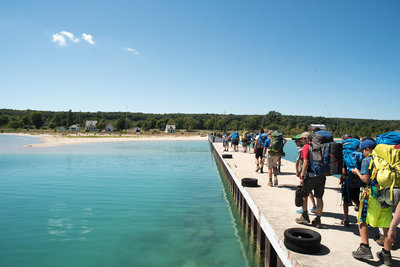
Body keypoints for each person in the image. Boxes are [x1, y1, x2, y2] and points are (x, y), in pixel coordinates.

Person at [351, 139, 393, 266]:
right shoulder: (387, 159)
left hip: (372, 197)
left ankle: (364, 248)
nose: (363, 153)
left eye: (363, 150)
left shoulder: (367, 160)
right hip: (388, 196)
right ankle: (387, 255)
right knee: (386, 225)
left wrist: (357, 172)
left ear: (368, 149)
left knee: (363, 221)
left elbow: (366, 180)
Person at [295, 131, 326, 229]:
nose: (301, 141)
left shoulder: (306, 147)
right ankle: (318, 220)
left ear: (306, 139)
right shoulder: (321, 146)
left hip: (310, 176)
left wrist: (302, 176)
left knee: (304, 195)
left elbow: (305, 163)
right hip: (321, 175)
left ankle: (305, 216)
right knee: (319, 197)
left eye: (302, 139)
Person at [340, 134, 362, 227]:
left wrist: (341, 177)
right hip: (357, 179)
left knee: (345, 200)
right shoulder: (358, 152)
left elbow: (343, 171)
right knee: (356, 199)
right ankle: (362, 219)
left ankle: (346, 219)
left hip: (347, 180)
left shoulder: (345, 153)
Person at [292, 134, 316, 214]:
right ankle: (314, 206)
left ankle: (304, 211)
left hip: (306, 173)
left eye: (297, 141)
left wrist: (298, 172)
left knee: (304, 192)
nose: (296, 143)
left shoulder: (303, 149)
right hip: (315, 172)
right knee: (310, 192)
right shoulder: (313, 147)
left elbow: (299, 162)